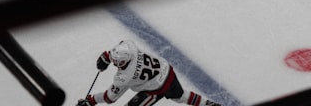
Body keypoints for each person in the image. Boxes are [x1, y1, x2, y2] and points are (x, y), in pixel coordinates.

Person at [77, 39, 220, 106]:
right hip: (167, 71)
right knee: (180, 96)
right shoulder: (130, 47)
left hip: (157, 88)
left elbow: (110, 98)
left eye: (116, 61)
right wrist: (108, 56)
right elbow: (121, 45)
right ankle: (208, 104)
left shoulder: (124, 77)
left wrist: (91, 101)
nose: (114, 63)